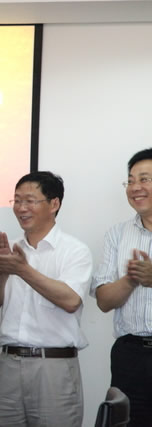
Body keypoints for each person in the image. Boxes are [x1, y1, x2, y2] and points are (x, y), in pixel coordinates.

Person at [0, 171, 92, 427]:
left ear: (54, 204)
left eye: (30, 201)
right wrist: (2, 272)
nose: (21, 208)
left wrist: (23, 270)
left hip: (53, 366)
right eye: (17, 201)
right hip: (9, 363)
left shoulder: (74, 250)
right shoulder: (9, 249)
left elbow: (71, 301)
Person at [92, 147, 152, 426]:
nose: (135, 187)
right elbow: (104, 301)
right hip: (130, 356)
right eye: (130, 181)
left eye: (144, 179)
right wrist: (130, 279)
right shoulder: (117, 234)